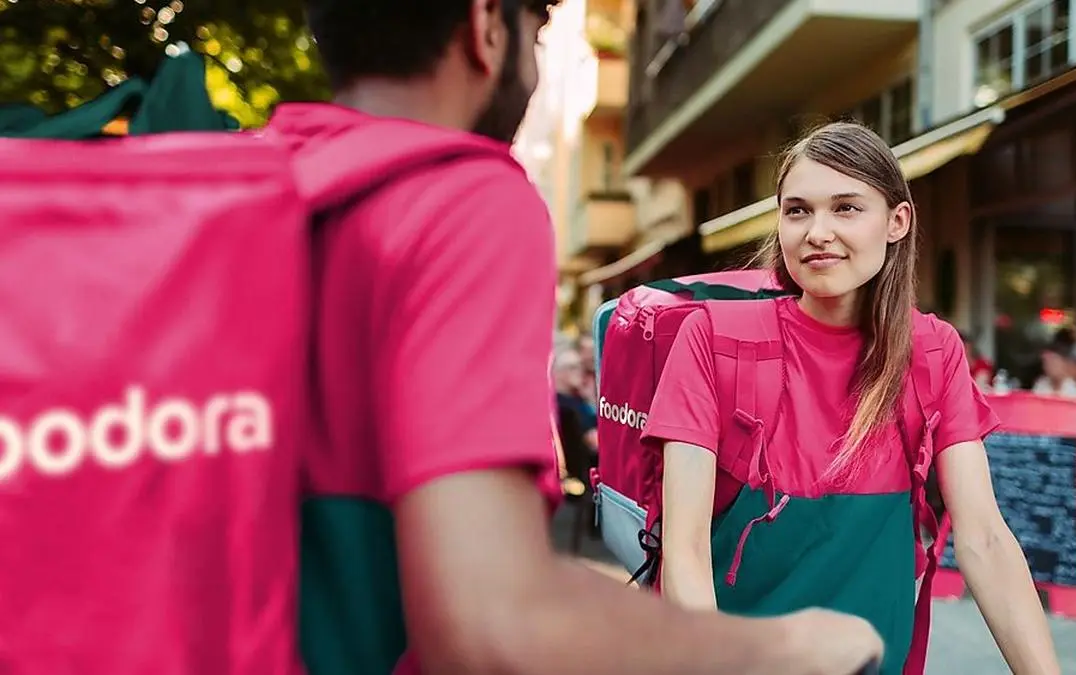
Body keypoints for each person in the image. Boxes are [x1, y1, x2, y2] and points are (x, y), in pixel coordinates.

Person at [282, 2, 885, 673]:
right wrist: (783, 648)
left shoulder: (265, 182)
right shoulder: (462, 199)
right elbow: (495, 620)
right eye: (538, 31)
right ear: (487, 27)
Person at [645, 122, 1061, 674]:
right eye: (797, 210)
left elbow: (984, 537)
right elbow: (686, 553)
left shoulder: (932, 351)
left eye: (846, 208)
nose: (817, 231)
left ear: (897, 222)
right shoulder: (713, 338)